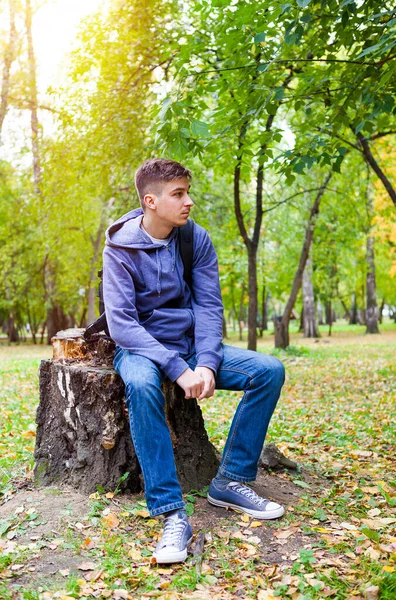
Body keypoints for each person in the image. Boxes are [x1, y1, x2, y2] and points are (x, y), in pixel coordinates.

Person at [103, 158, 285, 564]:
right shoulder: (119, 246)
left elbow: (208, 307)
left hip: (190, 344)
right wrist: (178, 368)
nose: (189, 202)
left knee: (268, 370)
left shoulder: (194, 239)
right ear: (150, 201)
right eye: (178, 194)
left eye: (188, 192)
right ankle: (171, 513)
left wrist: (205, 362)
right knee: (143, 384)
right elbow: (123, 325)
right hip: (141, 348)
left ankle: (231, 481)